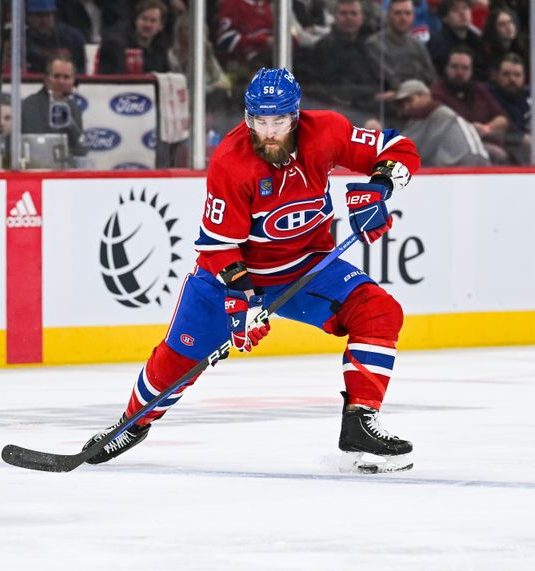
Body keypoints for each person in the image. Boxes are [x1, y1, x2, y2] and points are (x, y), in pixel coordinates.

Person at [82, 67, 421, 473]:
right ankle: (131, 425)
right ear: (248, 118)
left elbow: (398, 146)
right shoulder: (231, 161)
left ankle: (359, 423)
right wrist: (239, 301)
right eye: (259, 120)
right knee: (179, 357)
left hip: (305, 268)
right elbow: (218, 246)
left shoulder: (327, 131)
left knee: (379, 311)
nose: (269, 131)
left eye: (278, 121)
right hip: (227, 275)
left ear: (295, 117)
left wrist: (380, 188)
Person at [430, 47, 510, 163]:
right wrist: (471, 129)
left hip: (484, 141)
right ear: (446, 68)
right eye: (455, 67)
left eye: (465, 68)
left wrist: (487, 128)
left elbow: (502, 118)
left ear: (471, 71)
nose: (460, 72)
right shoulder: (436, 93)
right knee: (497, 154)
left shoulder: (478, 90)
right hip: (453, 149)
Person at [394, 78, 490, 166]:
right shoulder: (425, 117)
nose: (406, 107)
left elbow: (414, 149)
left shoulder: (441, 115)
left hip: (466, 168)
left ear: (425, 96)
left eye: (410, 100)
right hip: (462, 168)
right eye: (402, 104)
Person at [22, 55, 88, 166]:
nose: (61, 82)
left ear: (73, 81)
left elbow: (79, 150)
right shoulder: (31, 104)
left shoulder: (74, 108)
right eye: (56, 76)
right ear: (47, 79)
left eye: (66, 77)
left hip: (66, 173)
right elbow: (34, 145)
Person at [365, 0, 437, 93]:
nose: (403, 18)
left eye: (408, 13)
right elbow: (390, 80)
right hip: (394, 98)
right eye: (398, 13)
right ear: (387, 16)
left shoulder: (418, 44)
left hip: (422, 96)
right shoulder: (374, 44)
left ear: (413, 17)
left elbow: (432, 77)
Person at [97, 0, 169, 74]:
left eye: (153, 21)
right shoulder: (116, 44)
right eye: (144, 19)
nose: (147, 25)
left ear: (161, 26)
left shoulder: (161, 47)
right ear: (136, 20)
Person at [487, 53, 530, 164]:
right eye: (506, 74)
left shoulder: (528, 95)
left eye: (517, 75)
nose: (512, 79)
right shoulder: (487, 95)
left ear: (524, 77)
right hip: (501, 139)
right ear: (496, 75)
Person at [427, 0, 485, 78]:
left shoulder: (476, 39)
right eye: (455, 10)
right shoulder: (438, 42)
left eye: (465, 8)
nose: (462, 13)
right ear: (445, 18)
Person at [25, 0, 86, 74]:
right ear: (29, 17)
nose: (44, 20)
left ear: (53, 16)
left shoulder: (72, 37)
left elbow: (82, 68)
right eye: (39, 15)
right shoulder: (22, 41)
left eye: (48, 15)